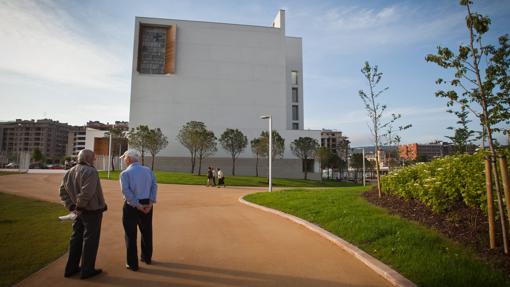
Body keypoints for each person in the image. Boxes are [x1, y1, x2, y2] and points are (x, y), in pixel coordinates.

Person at [59, 149, 107, 279]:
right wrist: (79, 207)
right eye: (93, 157)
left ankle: (71, 268)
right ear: (87, 158)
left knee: (76, 239)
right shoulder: (91, 171)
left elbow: (62, 191)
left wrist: (72, 206)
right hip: (91, 212)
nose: (95, 160)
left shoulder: (70, 171)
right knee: (90, 240)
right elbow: (87, 193)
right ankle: (87, 270)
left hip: (78, 212)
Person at [120, 149, 157, 271]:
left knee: (130, 235)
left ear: (129, 158)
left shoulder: (125, 173)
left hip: (132, 206)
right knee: (146, 232)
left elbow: (126, 192)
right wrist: (150, 203)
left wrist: (137, 205)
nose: (124, 160)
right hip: (147, 203)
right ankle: (147, 258)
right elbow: (154, 186)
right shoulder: (147, 170)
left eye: (124, 157)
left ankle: (132, 263)